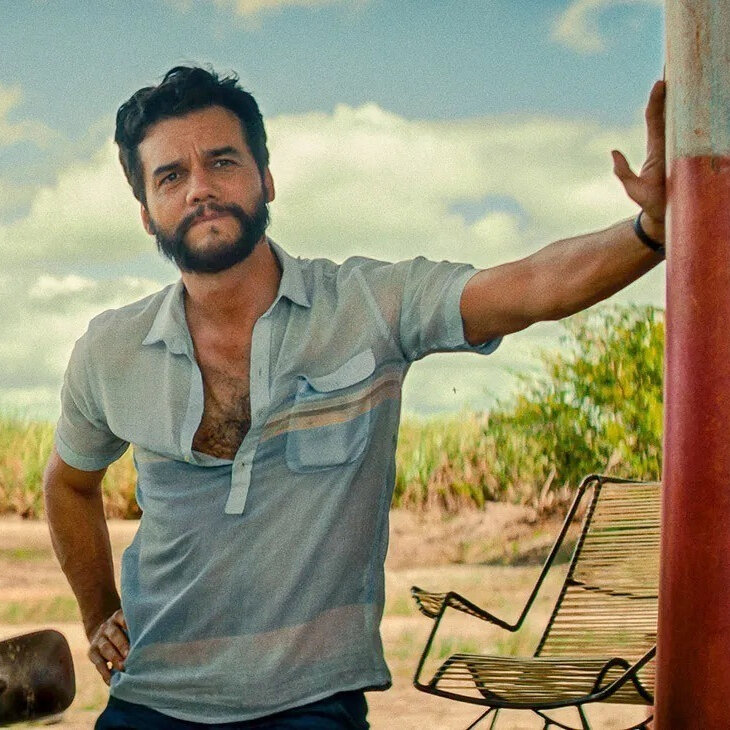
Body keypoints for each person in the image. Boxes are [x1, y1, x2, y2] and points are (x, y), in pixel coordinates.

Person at [43, 65, 666, 729]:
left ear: (266, 178)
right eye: (171, 176)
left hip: (310, 704)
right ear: (145, 212)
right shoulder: (111, 349)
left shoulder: (369, 307)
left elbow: (535, 285)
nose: (200, 188)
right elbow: (68, 484)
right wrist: (99, 610)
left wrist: (651, 230)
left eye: (222, 161)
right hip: (148, 700)